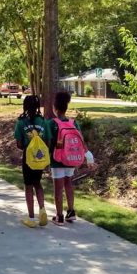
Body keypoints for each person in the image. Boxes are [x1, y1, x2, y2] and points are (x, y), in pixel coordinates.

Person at [47, 91, 96, 225]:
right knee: (69, 183)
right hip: (71, 159)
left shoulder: (52, 123)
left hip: (57, 160)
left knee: (58, 188)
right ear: (66, 107)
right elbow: (81, 141)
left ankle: (59, 216)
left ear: (55, 108)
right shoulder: (74, 123)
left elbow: (49, 142)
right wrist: (88, 157)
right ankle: (71, 212)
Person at [13, 95, 49, 228]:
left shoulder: (21, 122)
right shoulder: (43, 121)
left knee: (28, 186)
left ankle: (31, 218)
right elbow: (48, 141)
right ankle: (43, 209)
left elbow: (19, 143)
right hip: (40, 158)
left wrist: (27, 145)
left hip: (28, 159)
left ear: (25, 106)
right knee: (38, 184)